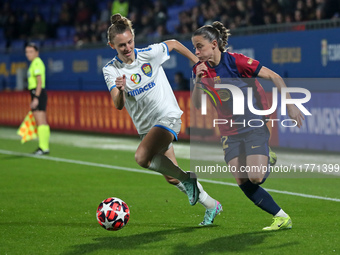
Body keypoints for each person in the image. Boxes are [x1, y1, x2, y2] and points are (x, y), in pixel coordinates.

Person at [102, 14, 222, 225]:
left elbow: (174, 44)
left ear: (133, 38)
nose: (127, 48)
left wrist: (197, 63)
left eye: (130, 42)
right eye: (121, 45)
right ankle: (212, 205)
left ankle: (189, 179)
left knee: (141, 157)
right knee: (172, 177)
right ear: (112, 45)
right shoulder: (111, 70)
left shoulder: (149, 54)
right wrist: (120, 89)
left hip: (168, 117)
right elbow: (118, 104)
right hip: (147, 129)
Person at [191, 22, 305, 231]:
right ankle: (281, 218)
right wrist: (198, 81)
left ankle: (268, 158)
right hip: (228, 131)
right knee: (243, 181)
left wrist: (290, 105)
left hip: (253, 124)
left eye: (199, 47)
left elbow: (274, 77)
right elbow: (198, 105)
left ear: (214, 44)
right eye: (194, 48)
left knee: (256, 177)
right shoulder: (199, 70)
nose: (196, 52)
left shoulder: (236, 62)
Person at [25, 43, 50, 155]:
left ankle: (43, 147)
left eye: (31, 52)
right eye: (27, 52)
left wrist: (35, 98)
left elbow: (39, 81)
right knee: (42, 121)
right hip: (38, 92)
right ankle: (44, 147)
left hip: (37, 92)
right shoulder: (34, 63)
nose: (28, 54)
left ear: (36, 52)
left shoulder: (36, 63)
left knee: (40, 121)